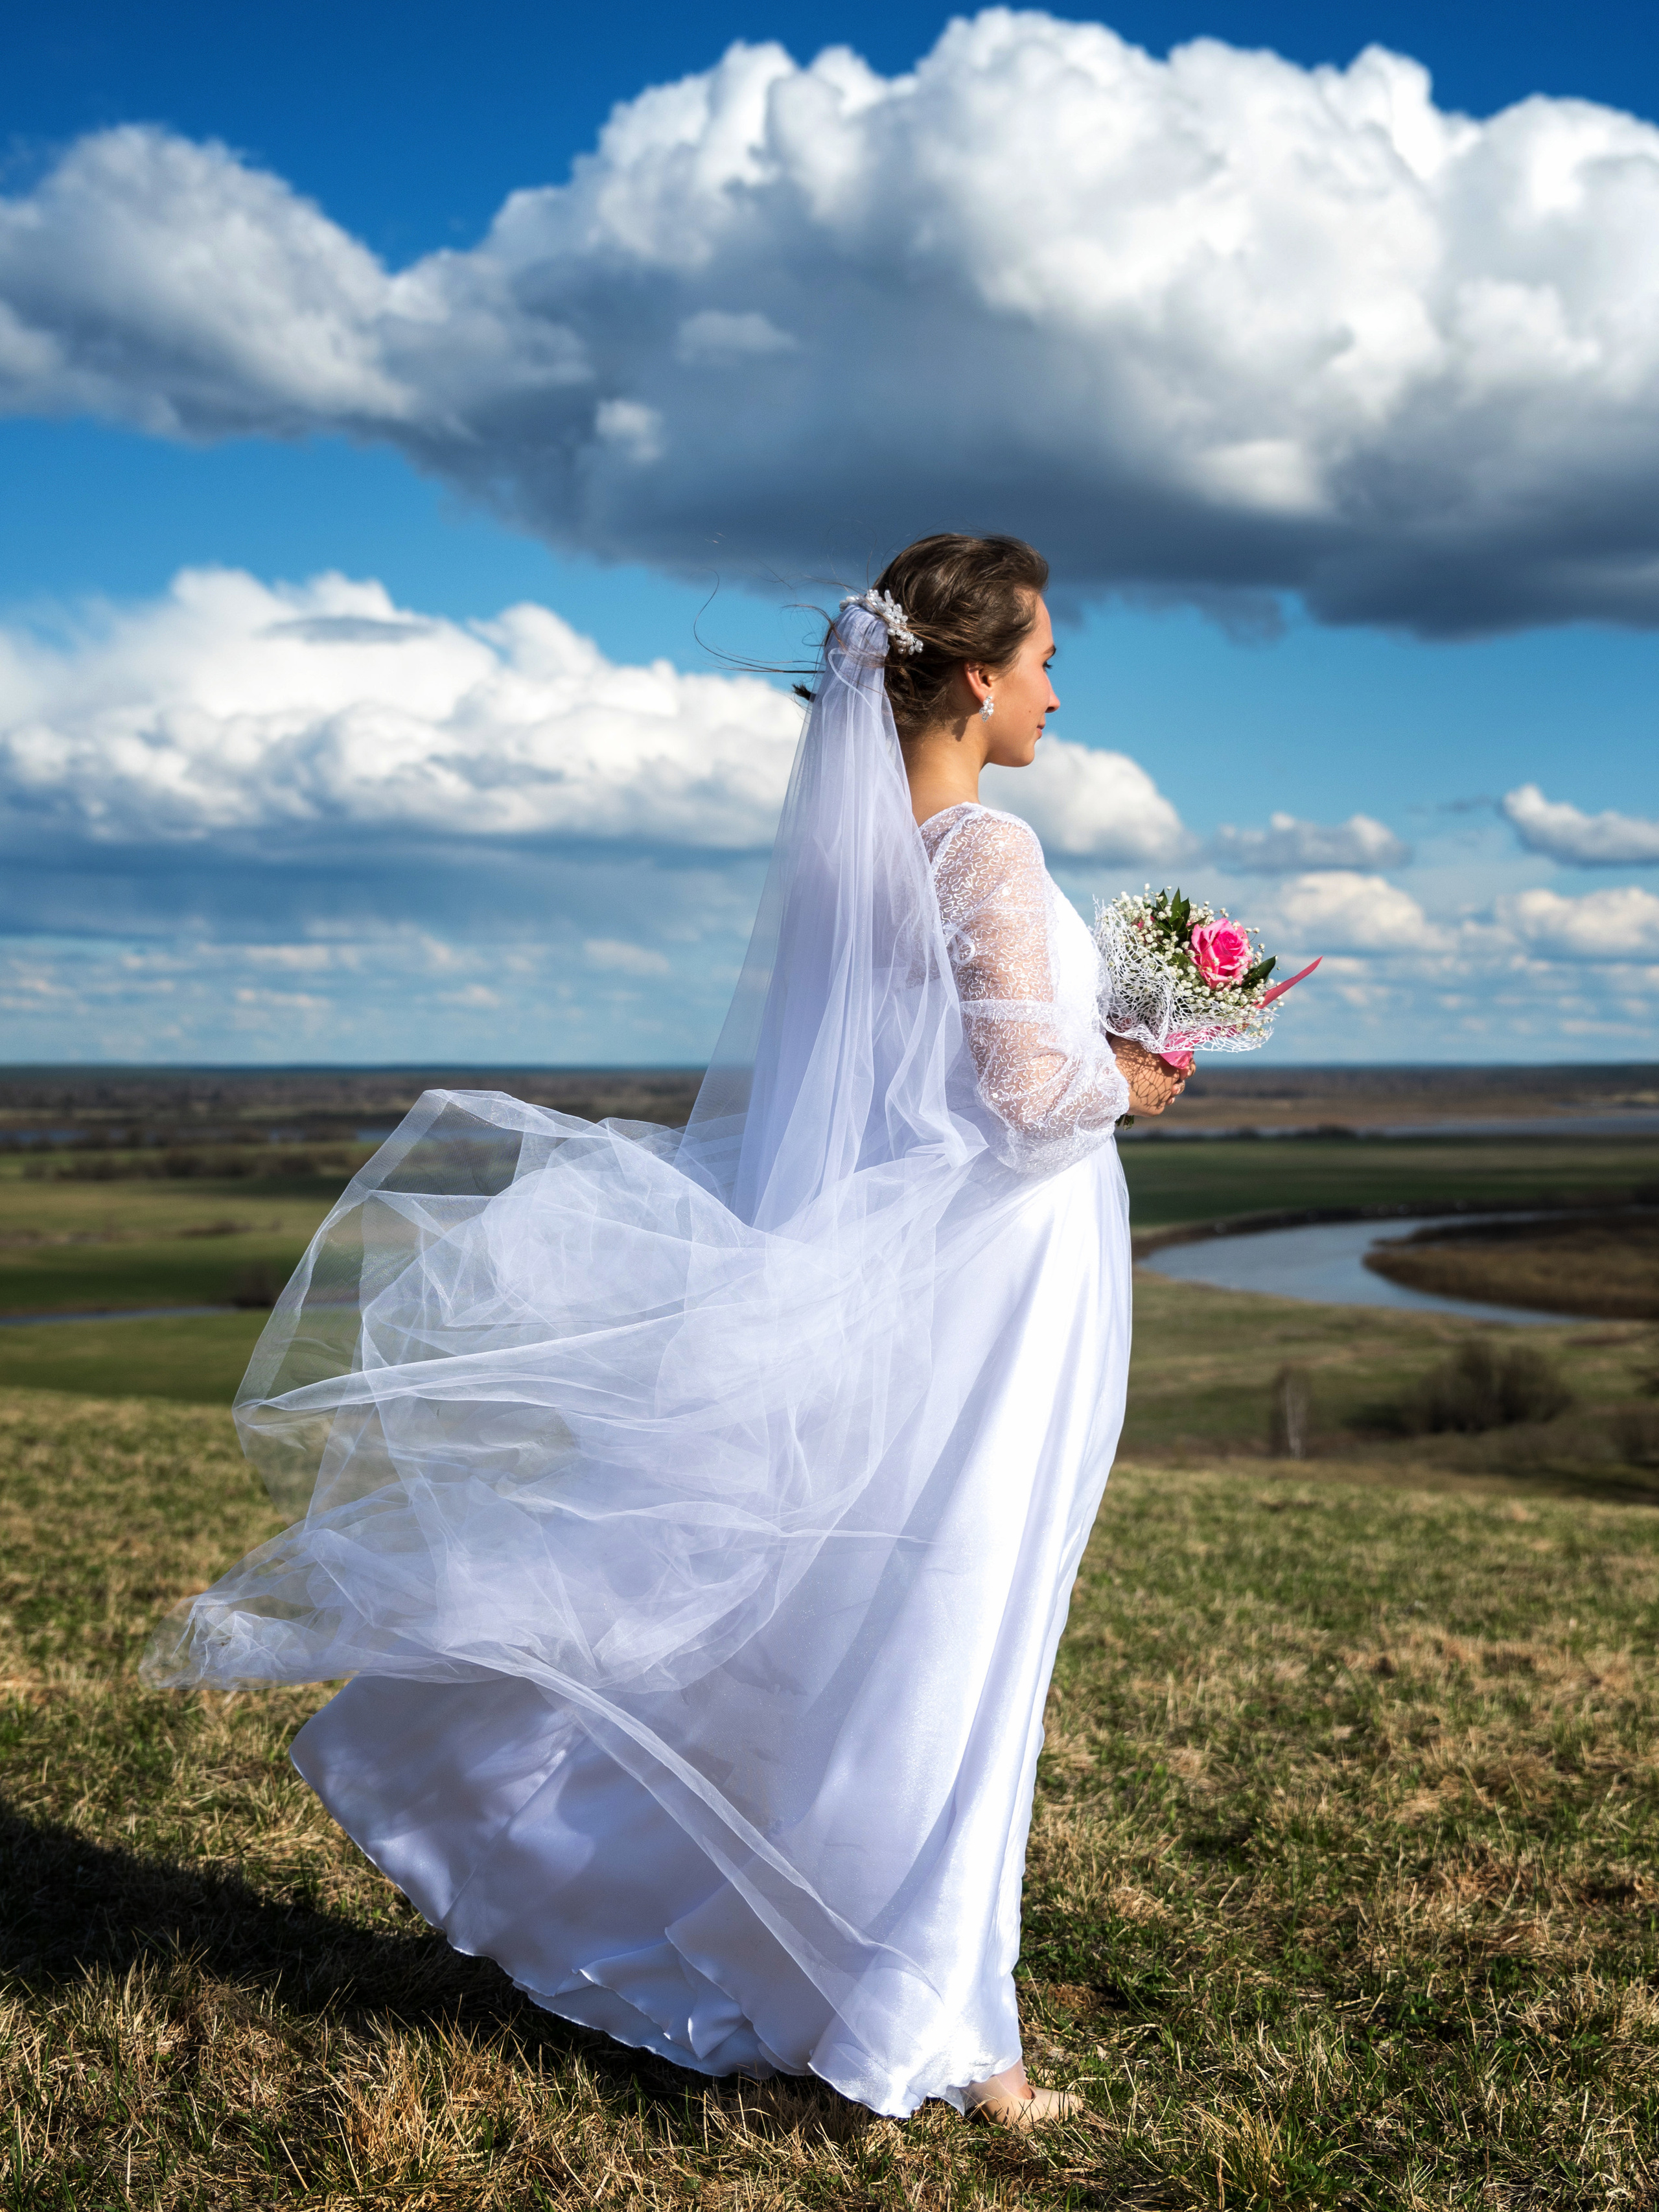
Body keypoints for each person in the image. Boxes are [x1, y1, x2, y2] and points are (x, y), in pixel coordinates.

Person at [146, 532, 1185, 2128]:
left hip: (946, 1289)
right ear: (974, 680)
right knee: (956, 1644)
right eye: (1044, 659)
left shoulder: (860, 862)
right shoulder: (982, 849)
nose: (1056, 688)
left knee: (882, 1632)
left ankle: (885, 1985)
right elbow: (1028, 1098)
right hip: (994, 1305)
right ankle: (952, 2037)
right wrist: (1142, 1074)